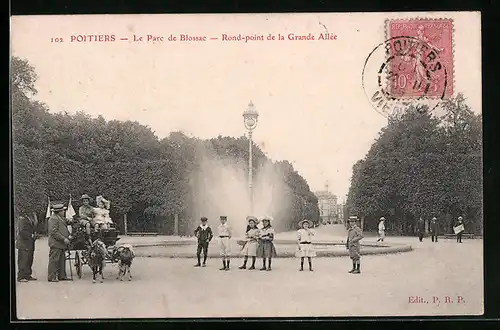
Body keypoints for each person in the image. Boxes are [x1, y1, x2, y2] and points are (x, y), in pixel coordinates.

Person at [47, 204, 72, 282]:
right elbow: (53, 232)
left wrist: (71, 221)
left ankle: (62, 276)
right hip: (56, 243)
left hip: (61, 244)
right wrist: (64, 239)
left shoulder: (60, 218)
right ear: (59, 211)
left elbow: (66, 222)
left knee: (62, 260)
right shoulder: (53, 219)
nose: (64, 211)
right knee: (54, 260)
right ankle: (51, 277)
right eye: (63, 210)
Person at [16, 215, 38, 282]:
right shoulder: (22, 219)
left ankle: (27, 275)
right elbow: (21, 231)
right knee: (23, 259)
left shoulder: (31, 217)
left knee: (29, 259)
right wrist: (31, 235)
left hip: (30, 242)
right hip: (23, 243)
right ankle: (21, 276)